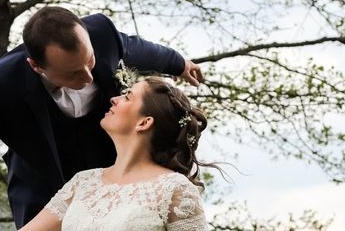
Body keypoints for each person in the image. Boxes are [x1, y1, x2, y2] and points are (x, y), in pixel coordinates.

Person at [0, 6, 203, 230]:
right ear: (36, 66)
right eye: (72, 72)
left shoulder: (101, 33)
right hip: (44, 189)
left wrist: (178, 63)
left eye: (90, 62)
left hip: (117, 175)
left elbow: (135, 47)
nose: (88, 76)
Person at [20, 76, 210, 231]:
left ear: (144, 122)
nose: (114, 99)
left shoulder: (175, 188)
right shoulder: (83, 182)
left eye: (127, 97)